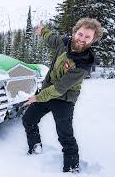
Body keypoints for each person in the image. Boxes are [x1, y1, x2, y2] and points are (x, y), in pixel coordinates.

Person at [22, 18, 103, 173]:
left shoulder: (84, 64)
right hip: (47, 92)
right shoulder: (64, 43)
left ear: (93, 40)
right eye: (80, 34)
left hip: (64, 99)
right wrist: (42, 31)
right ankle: (35, 146)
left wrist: (37, 97)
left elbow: (60, 88)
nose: (82, 39)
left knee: (65, 135)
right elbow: (52, 38)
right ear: (75, 33)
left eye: (87, 37)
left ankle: (72, 168)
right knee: (28, 119)